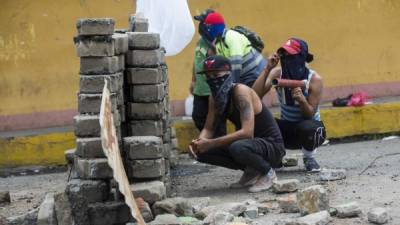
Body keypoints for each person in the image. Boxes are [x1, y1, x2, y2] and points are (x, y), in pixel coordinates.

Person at [190, 55, 285, 193]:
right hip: (251, 145)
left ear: (228, 74)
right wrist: (198, 143)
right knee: (202, 152)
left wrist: (211, 143)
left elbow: (247, 133)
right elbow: (208, 128)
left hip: (272, 146)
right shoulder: (214, 98)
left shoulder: (241, 92)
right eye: (209, 77)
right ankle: (251, 170)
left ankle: (268, 173)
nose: (213, 80)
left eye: (216, 74)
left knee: (238, 147)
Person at [252, 38, 326, 172]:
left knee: (308, 127)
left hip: (308, 132)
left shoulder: (314, 79)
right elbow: (255, 95)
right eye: (284, 55)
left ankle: (309, 158)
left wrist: (302, 100)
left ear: (302, 57)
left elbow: (309, 113)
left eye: (291, 56)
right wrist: (267, 68)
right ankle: (276, 157)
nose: (287, 59)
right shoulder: (278, 74)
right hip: (286, 131)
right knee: (257, 122)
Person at [202, 12, 267, 87]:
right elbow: (225, 66)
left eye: (209, 26)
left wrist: (232, 85)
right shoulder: (218, 44)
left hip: (256, 72)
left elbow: (236, 63)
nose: (208, 30)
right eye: (207, 27)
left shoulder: (231, 36)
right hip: (244, 77)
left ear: (217, 26)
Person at [190, 9, 226, 136]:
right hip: (200, 89)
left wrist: (214, 50)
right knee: (198, 117)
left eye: (203, 22)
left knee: (217, 122)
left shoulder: (218, 42)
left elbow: (221, 66)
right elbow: (196, 61)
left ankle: (219, 150)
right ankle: (211, 146)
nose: (201, 26)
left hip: (211, 90)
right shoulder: (200, 41)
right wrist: (193, 80)